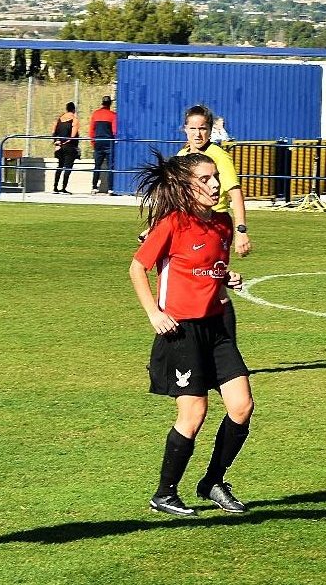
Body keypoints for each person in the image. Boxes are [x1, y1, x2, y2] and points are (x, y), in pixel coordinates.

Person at [129, 152, 254, 517]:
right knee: (194, 413)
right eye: (205, 179)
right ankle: (164, 494)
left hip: (217, 327)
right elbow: (137, 268)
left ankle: (213, 481)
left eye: (216, 177)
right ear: (185, 187)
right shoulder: (173, 223)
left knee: (242, 406)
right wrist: (154, 313)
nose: (215, 185)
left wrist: (226, 277)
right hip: (181, 331)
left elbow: (210, 267)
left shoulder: (223, 224)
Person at [179, 104, 253, 259]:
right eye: (193, 129)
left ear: (210, 130)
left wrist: (241, 231)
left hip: (215, 222)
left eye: (203, 129)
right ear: (185, 129)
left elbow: (236, 193)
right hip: (187, 222)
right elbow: (173, 196)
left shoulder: (218, 156)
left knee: (207, 269)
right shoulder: (181, 156)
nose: (198, 134)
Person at [51, 102, 81, 194]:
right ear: (73, 110)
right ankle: (63, 188)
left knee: (60, 166)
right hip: (69, 147)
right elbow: (73, 135)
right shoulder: (74, 120)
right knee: (68, 167)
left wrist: (57, 142)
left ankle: (55, 187)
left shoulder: (59, 119)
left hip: (59, 146)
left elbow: (53, 132)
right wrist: (66, 142)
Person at [91, 96, 117, 195]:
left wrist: (93, 142)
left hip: (98, 141)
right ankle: (110, 189)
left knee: (97, 165)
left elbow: (91, 130)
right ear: (110, 104)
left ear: (102, 103)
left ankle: (94, 187)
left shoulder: (95, 114)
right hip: (108, 142)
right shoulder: (113, 115)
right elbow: (114, 131)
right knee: (110, 166)